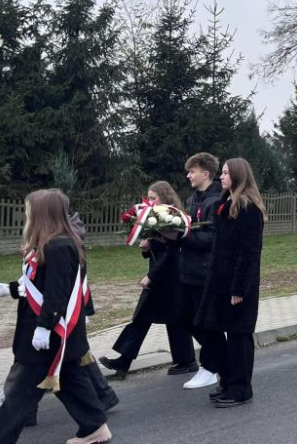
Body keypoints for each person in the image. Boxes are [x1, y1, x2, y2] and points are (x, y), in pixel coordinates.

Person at [0, 189, 111, 444]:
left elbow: (57, 294)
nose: (26, 214)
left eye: (29, 210)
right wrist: (8, 289)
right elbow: (38, 285)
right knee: (69, 378)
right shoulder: (53, 243)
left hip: (51, 332)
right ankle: (95, 427)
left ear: (42, 213)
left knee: (20, 389)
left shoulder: (58, 245)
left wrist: (43, 327)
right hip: (53, 332)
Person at [99, 182, 196, 380]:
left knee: (170, 319)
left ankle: (186, 361)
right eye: (148, 198)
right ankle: (124, 363)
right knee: (147, 318)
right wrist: (146, 247)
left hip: (169, 277)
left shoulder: (172, 217)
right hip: (160, 275)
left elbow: (171, 253)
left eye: (153, 198)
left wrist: (151, 276)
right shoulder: (157, 217)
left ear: (165, 197)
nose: (149, 202)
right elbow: (157, 250)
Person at [194, 158, 266, 408]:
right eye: (221, 172)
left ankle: (240, 388)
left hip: (237, 285)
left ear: (237, 176)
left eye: (225, 173)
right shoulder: (225, 204)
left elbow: (249, 253)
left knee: (238, 337)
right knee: (208, 328)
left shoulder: (249, 209)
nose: (221, 177)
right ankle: (227, 379)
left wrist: (238, 289)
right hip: (218, 282)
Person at [179, 152, 224, 389]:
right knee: (185, 318)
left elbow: (212, 238)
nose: (188, 175)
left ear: (205, 174)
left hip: (205, 272)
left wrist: (182, 235)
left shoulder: (215, 201)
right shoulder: (192, 200)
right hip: (188, 270)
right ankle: (218, 358)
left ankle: (210, 366)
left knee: (206, 322)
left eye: (192, 171)